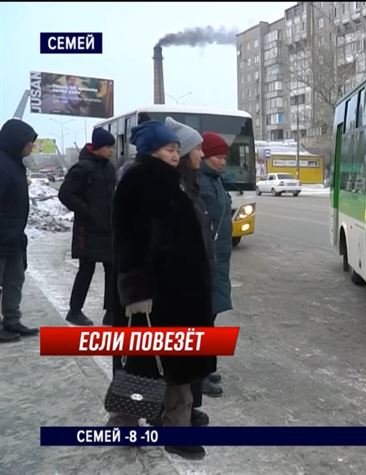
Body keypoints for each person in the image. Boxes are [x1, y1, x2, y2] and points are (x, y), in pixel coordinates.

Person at [107, 120, 215, 460]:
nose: (175, 154)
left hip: (177, 293)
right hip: (154, 296)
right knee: (146, 366)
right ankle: (128, 426)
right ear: (152, 150)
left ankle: (167, 426)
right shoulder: (139, 181)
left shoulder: (169, 181)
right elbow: (130, 240)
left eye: (176, 149)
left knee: (170, 366)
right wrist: (136, 292)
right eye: (169, 149)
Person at [166, 116, 219, 422]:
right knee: (175, 357)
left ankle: (188, 408)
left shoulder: (189, 186)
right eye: (197, 149)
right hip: (178, 289)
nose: (202, 153)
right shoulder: (174, 191)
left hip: (193, 285)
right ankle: (173, 419)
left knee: (189, 353)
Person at [58, 128, 117, 326]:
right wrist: (88, 211)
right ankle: (74, 311)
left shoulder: (109, 167)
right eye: (108, 147)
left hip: (108, 227)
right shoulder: (82, 167)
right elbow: (65, 194)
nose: (111, 151)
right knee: (86, 269)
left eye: (112, 147)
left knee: (112, 269)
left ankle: (110, 312)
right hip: (88, 229)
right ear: (98, 147)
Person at [198, 131, 233, 392]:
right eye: (217, 156)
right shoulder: (199, 181)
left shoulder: (215, 181)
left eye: (224, 157)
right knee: (200, 317)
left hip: (218, 258)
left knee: (209, 316)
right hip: (204, 258)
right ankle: (198, 375)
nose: (222, 161)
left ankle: (207, 369)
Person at [0, 119, 38, 342]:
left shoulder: (14, 164)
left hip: (14, 237)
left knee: (15, 279)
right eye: (29, 142)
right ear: (17, 142)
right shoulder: (2, 165)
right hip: (2, 236)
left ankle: (12, 320)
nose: (32, 147)